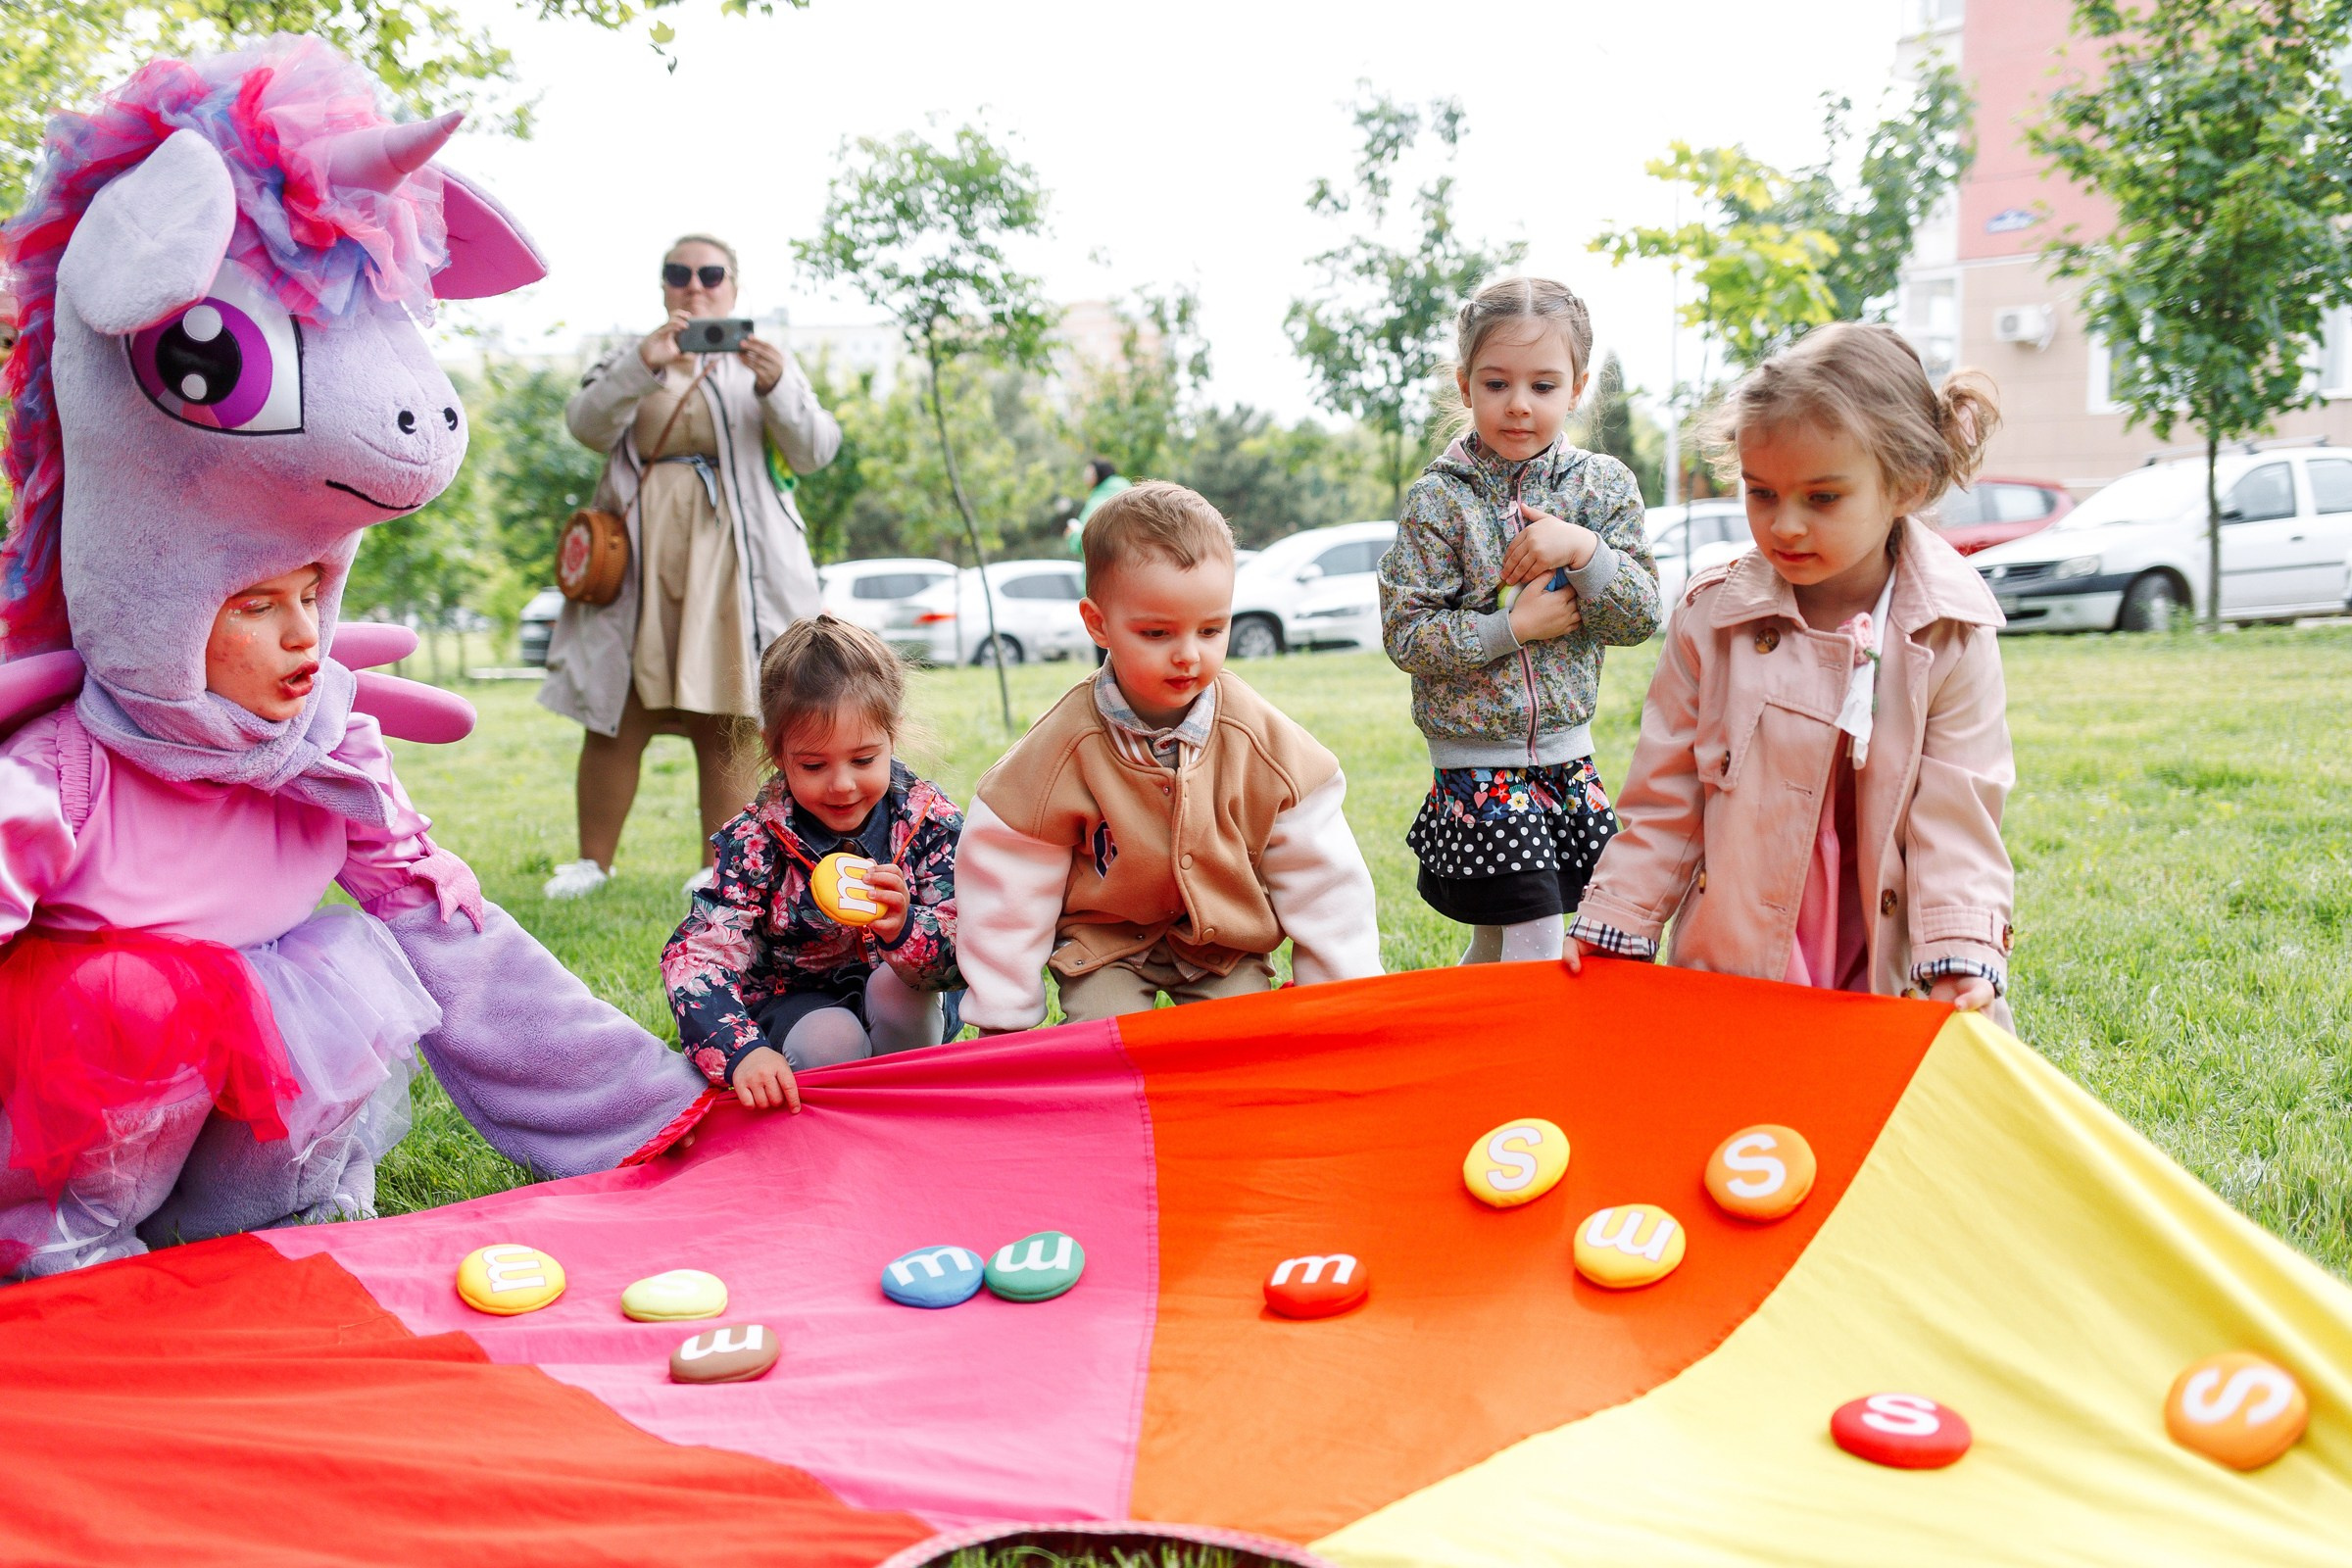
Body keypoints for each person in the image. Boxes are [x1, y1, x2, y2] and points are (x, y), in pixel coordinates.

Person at [1566, 322, 2016, 1024]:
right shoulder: (1712, 618)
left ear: (1907, 484)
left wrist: (1960, 952)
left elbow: (1959, 813)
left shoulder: (1951, 630)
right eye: (1762, 493)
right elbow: (1666, 798)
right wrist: (1618, 920)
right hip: (1742, 956)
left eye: (1823, 497)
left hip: (1886, 962)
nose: (1786, 526)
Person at [956, 481, 1382, 1029]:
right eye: (1157, 632)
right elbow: (1008, 878)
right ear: (1098, 624)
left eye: (1211, 630)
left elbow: (1323, 874)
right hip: (1106, 946)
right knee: (1105, 1047)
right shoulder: (1061, 749)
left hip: (1223, 947)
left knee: (1243, 1045)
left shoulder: (1259, 740)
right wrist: (1003, 1013)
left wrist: (1344, 995)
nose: (1188, 655)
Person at [540, 234, 841, 902]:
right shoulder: (633, 354)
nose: (695, 285)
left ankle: (719, 864)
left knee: (727, 709)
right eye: (679, 273)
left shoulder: (764, 362)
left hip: (732, 566)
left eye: (710, 274)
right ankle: (592, 863)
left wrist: (777, 384)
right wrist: (640, 366)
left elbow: (817, 450)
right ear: (663, 285)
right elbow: (586, 425)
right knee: (616, 710)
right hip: (640, 561)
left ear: (734, 285)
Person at [1378, 276, 1663, 967]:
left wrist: (1585, 551)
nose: (1518, 404)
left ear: (1577, 388)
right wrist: (1513, 628)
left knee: (1503, 936)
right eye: (1497, 383)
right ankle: (1528, 1041)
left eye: (1543, 385)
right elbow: (1407, 635)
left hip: (1567, 757)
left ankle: (1461, 1033)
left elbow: (1640, 617)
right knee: (1534, 935)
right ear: (1465, 384)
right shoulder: (1438, 501)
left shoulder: (1603, 487)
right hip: (1477, 764)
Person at [662, 616, 962, 1113]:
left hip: (909, 1000)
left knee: (897, 991)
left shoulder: (929, 822)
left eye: (863, 760)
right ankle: (839, 1125)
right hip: (795, 1005)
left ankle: (907, 1104)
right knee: (830, 1038)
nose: (842, 785)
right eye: (814, 765)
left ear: (893, 735)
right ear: (776, 750)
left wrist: (905, 928)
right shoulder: (754, 841)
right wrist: (742, 1052)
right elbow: (697, 956)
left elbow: (973, 942)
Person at [1064, 457, 1131, 556]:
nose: (1084, 478)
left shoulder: (1098, 500)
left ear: (1095, 474)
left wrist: (1072, 535)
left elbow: (1088, 539)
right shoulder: (1128, 491)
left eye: (1088, 473)